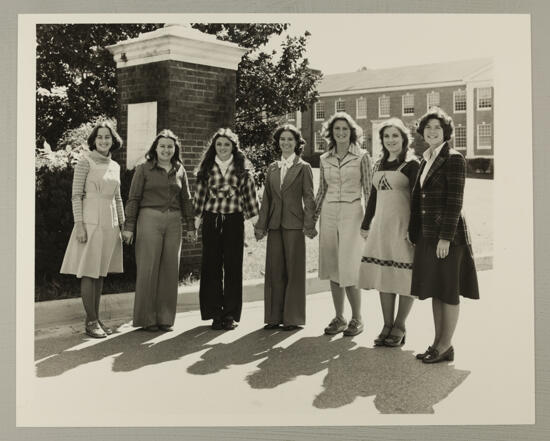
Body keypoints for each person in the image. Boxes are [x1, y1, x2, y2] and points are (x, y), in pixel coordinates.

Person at [408, 107, 480, 363]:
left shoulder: (453, 158)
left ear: (446, 131)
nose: (432, 131)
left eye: (437, 127)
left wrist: (445, 238)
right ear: (422, 132)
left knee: (448, 291)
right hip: (428, 236)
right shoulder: (425, 159)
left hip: (448, 238)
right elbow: (419, 199)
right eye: (428, 128)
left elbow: (454, 201)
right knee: (436, 290)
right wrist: (413, 233)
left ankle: (446, 345)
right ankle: (438, 344)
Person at [122, 129, 196, 332]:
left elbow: (186, 199)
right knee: (148, 268)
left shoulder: (180, 169)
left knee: (170, 269)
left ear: (175, 149)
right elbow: (134, 198)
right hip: (149, 218)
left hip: (174, 222)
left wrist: (190, 225)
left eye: (170, 146)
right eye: (162, 146)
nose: (166, 149)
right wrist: (129, 226)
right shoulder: (144, 169)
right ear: (155, 148)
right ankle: (146, 319)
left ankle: (165, 318)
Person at [60, 121, 125, 338]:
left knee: (100, 273)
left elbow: (117, 197)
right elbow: (76, 195)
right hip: (89, 223)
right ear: (94, 140)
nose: (104, 141)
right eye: (100, 137)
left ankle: (96, 318)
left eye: (107, 137)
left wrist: (123, 226)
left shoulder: (115, 166)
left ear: (113, 140)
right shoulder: (84, 161)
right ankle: (90, 321)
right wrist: (79, 225)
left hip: (110, 224)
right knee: (89, 272)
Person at [358, 118, 420, 347]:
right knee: (384, 276)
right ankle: (386, 324)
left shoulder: (413, 165)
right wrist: (365, 224)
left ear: (404, 139)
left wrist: (414, 232)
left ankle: (400, 325)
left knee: (404, 277)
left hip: (402, 228)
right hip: (381, 229)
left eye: (395, 135)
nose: (391, 140)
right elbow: (373, 198)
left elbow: (416, 202)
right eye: (386, 136)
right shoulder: (379, 164)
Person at [193, 128, 260, 331]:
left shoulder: (241, 169)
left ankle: (230, 313)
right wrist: (195, 223)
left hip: (234, 220)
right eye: (219, 144)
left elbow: (250, 197)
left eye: (227, 144)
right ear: (214, 147)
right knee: (211, 266)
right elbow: (199, 197)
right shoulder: (206, 169)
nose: (222, 148)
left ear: (233, 147)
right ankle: (214, 313)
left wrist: (257, 225)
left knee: (232, 266)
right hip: (212, 220)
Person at [314, 112, 373, 336]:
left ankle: (357, 318)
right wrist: (311, 219)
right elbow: (321, 190)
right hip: (329, 213)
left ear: (352, 132)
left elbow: (368, 191)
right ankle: (339, 317)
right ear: (331, 132)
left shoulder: (362, 157)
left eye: (345, 129)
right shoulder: (324, 158)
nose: (340, 133)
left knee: (349, 266)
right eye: (337, 129)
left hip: (352, 212)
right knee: (332, 267)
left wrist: (369, 223)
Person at [254, 124, 317, 331]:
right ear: (277, 142)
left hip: (294, 225)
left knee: (294, 270)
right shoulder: (272, 167)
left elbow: (308, 198)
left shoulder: (304, 167)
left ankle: (293, 318)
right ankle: (273, 317)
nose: (286, 143)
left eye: (290, 139)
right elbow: (267, 200)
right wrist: (260, 226)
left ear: (297, 143)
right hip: (274, 225)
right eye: (282, 139)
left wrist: (309, 225)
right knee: (274, 270)